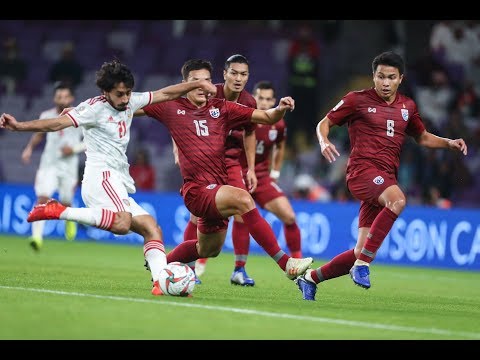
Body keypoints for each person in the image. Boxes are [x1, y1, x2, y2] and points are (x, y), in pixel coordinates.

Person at [0, 59, 218, 296]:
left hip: (117, 178)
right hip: (101, 176)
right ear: (105, 92)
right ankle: (59, 210)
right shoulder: (92, 108)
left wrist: (195, 85)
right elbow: (56, 123)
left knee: (151, 228)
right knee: (122, 224)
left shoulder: (131, 100)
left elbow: (166, 93)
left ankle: (160, 283)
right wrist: (19, 126)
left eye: (127, 93)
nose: (125, 99)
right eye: (119, 94)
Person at [295, 51, 468, 301]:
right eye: (380, 77)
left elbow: (422, 137)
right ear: (373, 77)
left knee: (360, 249)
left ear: (400, 79)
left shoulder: (407, 106)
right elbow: (324, 122)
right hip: (361, 173)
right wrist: (323, 142)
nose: (385, 83)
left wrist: (449, 143)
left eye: (391, 77)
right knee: (398, 201)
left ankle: (310, 279)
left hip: (385, 177)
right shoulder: (356, 100)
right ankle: (363, 265)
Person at [138, 58, 314, 284]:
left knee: (208, 248)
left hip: (218, 185)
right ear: (184, 84)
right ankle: (286, 263)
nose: (202, 86)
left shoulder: (221, 109)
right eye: (195, 81)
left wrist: (280, 108)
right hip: (197, 190)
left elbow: (267, 117)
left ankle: (159, 265)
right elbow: (134, 106)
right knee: (243, 199)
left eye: (206, 81)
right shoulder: (172, 107)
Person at [172, 54, 259, 286]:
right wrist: (177, 150)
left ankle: (239, 269)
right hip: (204, 159)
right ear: (225, 74)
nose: (239, 78)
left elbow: (251, 132)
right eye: (234, 73)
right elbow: (182, 117)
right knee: (197, 214)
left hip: (230, 162)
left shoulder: (249, 102)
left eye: (244, 74)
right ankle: (187, 268)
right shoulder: (208, 91)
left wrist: (250, 167)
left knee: (242, 210)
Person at [235, 80, 304, 269]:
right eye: (260, 98)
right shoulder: (242, 117)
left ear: (273, 100)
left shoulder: (278, 124)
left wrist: (274, 172)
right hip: (238, 174)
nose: (264, 103)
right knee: (239, 217)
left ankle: (298, 263)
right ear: (253, 97)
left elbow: (280, 146)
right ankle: (238, 269)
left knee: (289, 216)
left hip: (263, 177)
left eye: (268, 99)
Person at [21, 82, 84, 250]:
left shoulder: (80, 116)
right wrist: (29, 148)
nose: (61, 99)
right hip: (49, 164)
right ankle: (36, 237)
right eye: (58, 96)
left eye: (65, 96)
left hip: (69, 167)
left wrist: (74, 149)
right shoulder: (47, 115)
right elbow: (39, 134)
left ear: (71, 98)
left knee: (66, 201)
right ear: (54, 98)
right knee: (43, 197)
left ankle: (70, 221)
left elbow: (91, 141)